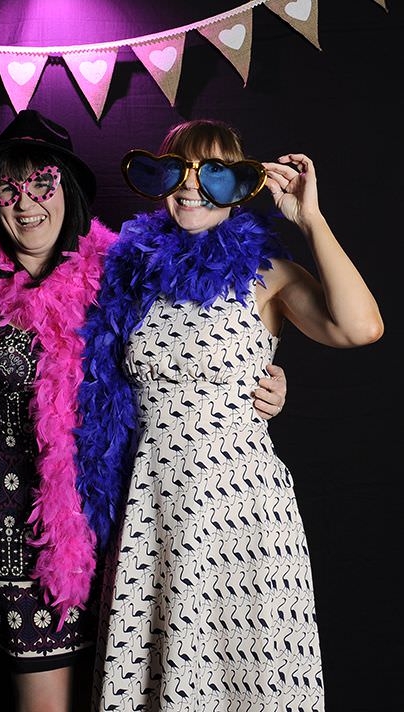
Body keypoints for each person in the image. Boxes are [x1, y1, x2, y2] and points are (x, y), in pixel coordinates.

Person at [0, 111, 287, 712]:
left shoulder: (121, 267)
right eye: (8, 189)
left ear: (67, 190)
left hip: (127, 522)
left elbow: (195, 341)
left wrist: (264, 378)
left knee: (137, 694)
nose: (26, 203)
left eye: (42, 184)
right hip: (19, 526)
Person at [76, 119, 384, 712]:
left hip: (239, 511)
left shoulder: (266, 274)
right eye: (177, 171)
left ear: (241, 186)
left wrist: (310, 221)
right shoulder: (130, 273)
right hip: (154, 507)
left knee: (250, 682)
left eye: (213, 173)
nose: (192, 187)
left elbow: (360, 327)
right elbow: (96, 382)